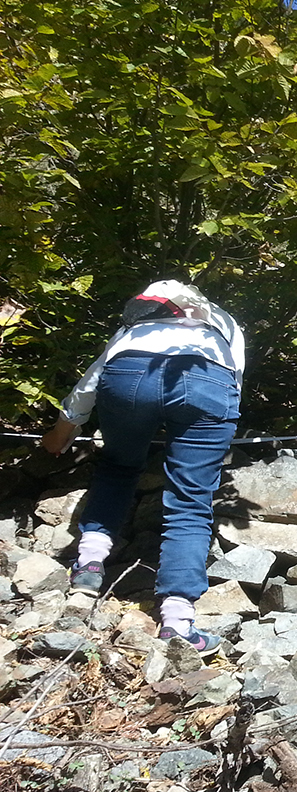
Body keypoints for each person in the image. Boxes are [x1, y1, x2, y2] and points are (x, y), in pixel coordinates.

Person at [42, 280, 245, 653]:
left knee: (118, 467)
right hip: (209, 377)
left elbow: (91, 383)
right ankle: (178, 622)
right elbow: (233, 379)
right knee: (191, 497)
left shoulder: (133, 329)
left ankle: (88, 567)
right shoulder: (223, 322)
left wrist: (61, 433)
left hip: (130, 373)